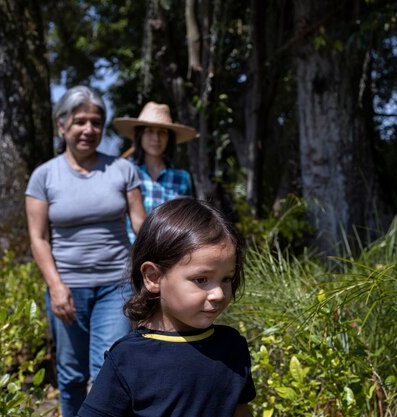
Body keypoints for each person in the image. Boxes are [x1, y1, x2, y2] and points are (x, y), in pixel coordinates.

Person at [25, 85, 147, 417]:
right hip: (67, 288)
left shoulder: (123, 171)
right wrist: (56, 287)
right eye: (80, 121)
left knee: (110, 368)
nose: (88, 130)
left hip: (116, 286)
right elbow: (38, 238)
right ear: (62, 124)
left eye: (96, 122)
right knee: (71, 375)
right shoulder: (44, 176)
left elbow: (141, 224)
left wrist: (163, 262)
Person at [77, 198, 256, 417]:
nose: (218, 293)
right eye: (201, 279)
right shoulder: (127, 359)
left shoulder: (232, 347)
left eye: (227, 278)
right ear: (153, 277)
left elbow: (241, 411)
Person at [112, 101, 197, 243]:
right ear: (140, 136)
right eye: (149, 131)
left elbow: (186, 221)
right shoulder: (126, 172)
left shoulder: (182, 178)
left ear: (169, 138)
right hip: (130, 253)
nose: (156, 138)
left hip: (169, 253)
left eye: (162, 132)